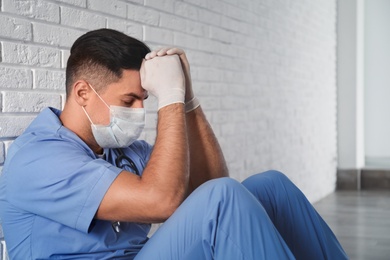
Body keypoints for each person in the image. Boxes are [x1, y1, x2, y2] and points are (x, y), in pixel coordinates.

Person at [0, 28, 348, 259]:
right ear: (82, 93)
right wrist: (169, 98)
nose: (140, 110)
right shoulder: (38, 157)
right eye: (130, 99)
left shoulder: (122, 149)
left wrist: (188, 100)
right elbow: (162, 202)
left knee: (271, 186)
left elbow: (209, 185)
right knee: (223, 199)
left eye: (146, 99)